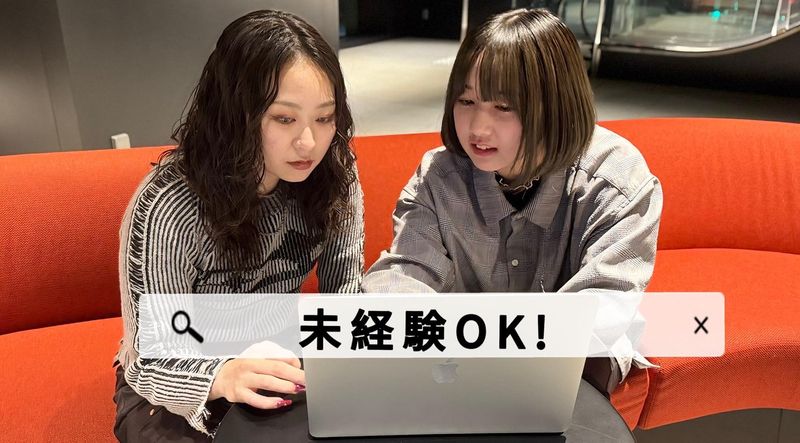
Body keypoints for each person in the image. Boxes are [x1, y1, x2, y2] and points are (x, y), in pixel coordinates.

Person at [362, 8, 662, 396]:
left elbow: (604, 302)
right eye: (466, 101)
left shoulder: (615, 178)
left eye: (503, 107)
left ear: (556, 104)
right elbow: (403, 273)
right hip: (459, 366)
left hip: (563, 373)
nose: (478, 127)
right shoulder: (439, 177)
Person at [113, 10, 364, 441]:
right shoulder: (170, 204)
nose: (309, 142)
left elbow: (344, 295)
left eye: (324, 118)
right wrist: (222, 376)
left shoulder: (333, 173)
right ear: (235, 113)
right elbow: (150, 361)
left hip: (277, 353)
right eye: (284, 119)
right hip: (180, 383)